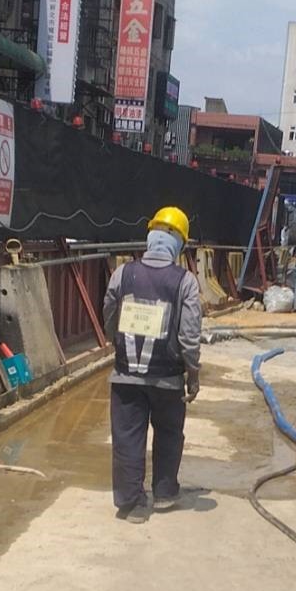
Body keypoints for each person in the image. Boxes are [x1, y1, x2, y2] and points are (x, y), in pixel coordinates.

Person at [102, 206, 203, 523]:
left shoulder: (123, 273)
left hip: (126, 375)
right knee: (169, 433)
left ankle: (131, 504)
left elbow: (108, 311)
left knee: (128, 437)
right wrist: (193, 373)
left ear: (151, 236)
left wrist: (116, 341)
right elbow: (189, 334)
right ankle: (164, 493)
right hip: (168, 379)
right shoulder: (185, 281)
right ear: (179, 244)